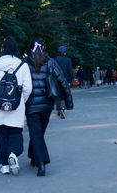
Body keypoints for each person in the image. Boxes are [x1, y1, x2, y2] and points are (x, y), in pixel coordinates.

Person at [25, 39, 72, 176]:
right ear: (43, 47)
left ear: (30, 48)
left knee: (35, 132)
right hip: (47, 104)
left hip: (31, 105)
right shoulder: (50, 62)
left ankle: (41, 163)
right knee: (39, 132)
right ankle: (35, 158)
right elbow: (61, 80)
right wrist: (68, 101)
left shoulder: (25, 63)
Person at [0, 36, 32, 175]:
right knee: (15, 133)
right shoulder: (22, 66)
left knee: (1, 135)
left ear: (3, 49)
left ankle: (4, 165)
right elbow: (27, 88)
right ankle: (13, 153)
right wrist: (19, 101)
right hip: (16, 108)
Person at [53, 46, 73, 119]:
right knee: (64, 93)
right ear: (64, 52)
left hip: (56, 80)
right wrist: (70, 81)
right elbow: (69, 71)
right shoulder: (68, 60)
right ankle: (62, 108)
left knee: (58, 94)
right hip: (65, 79)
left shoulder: (54, 60)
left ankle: (58, 109)